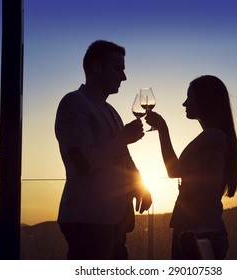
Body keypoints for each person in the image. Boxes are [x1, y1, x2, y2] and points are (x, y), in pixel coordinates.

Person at [55, 40, 152, 260]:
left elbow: (123, 158)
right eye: (118, 68)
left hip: (114, 221)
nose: (124, 77)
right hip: (88, 221)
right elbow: (84, 162)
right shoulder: (73, 104)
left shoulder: (110, 111)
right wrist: (123, 139)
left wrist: (140, 185)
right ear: (97, 67)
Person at [145, 75, 237, 259]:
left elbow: (210, 190)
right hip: (196, 232)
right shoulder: (213, 137)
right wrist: (162, 129)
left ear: (206, 100)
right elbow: (174, 172)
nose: (184, 103)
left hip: (199, 234)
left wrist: (188, 225)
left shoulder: (213, 136)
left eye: (190, 97)